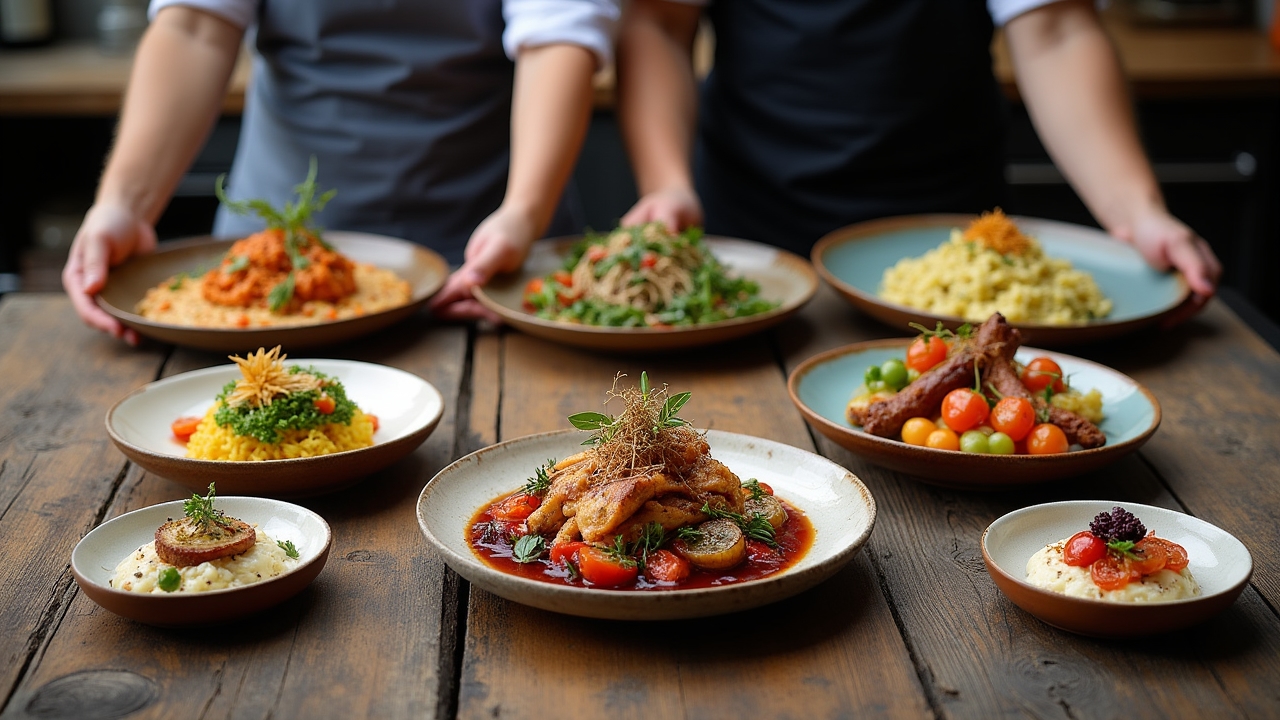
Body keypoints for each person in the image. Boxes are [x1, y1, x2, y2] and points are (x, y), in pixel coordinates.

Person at [616, 0, 1222, 320]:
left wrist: (1139, 211)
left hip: (955, 249)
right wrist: (668, 182)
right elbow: (660, 23)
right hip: (753, 246)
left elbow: (1057, 28)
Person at [62, 0, 619, 343]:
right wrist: (124, 205)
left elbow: (557, 36)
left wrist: (523, 211)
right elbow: (194, 28)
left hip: (484, 258)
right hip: (261, 282)